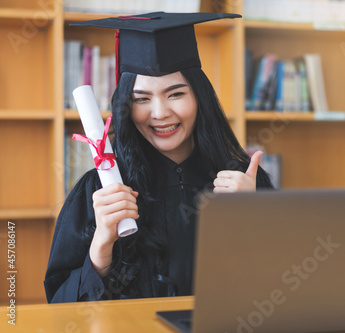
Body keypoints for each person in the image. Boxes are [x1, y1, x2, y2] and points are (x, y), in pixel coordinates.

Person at [44, 12, 273, 303]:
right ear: (126, 106)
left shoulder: (243, 183)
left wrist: (256, 219)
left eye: (175, 94)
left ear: (199, 96)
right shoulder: (99, 191)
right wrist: (102, 244)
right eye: (141, 99)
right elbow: (60, 309)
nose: (160, 113)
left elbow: (286, 291)